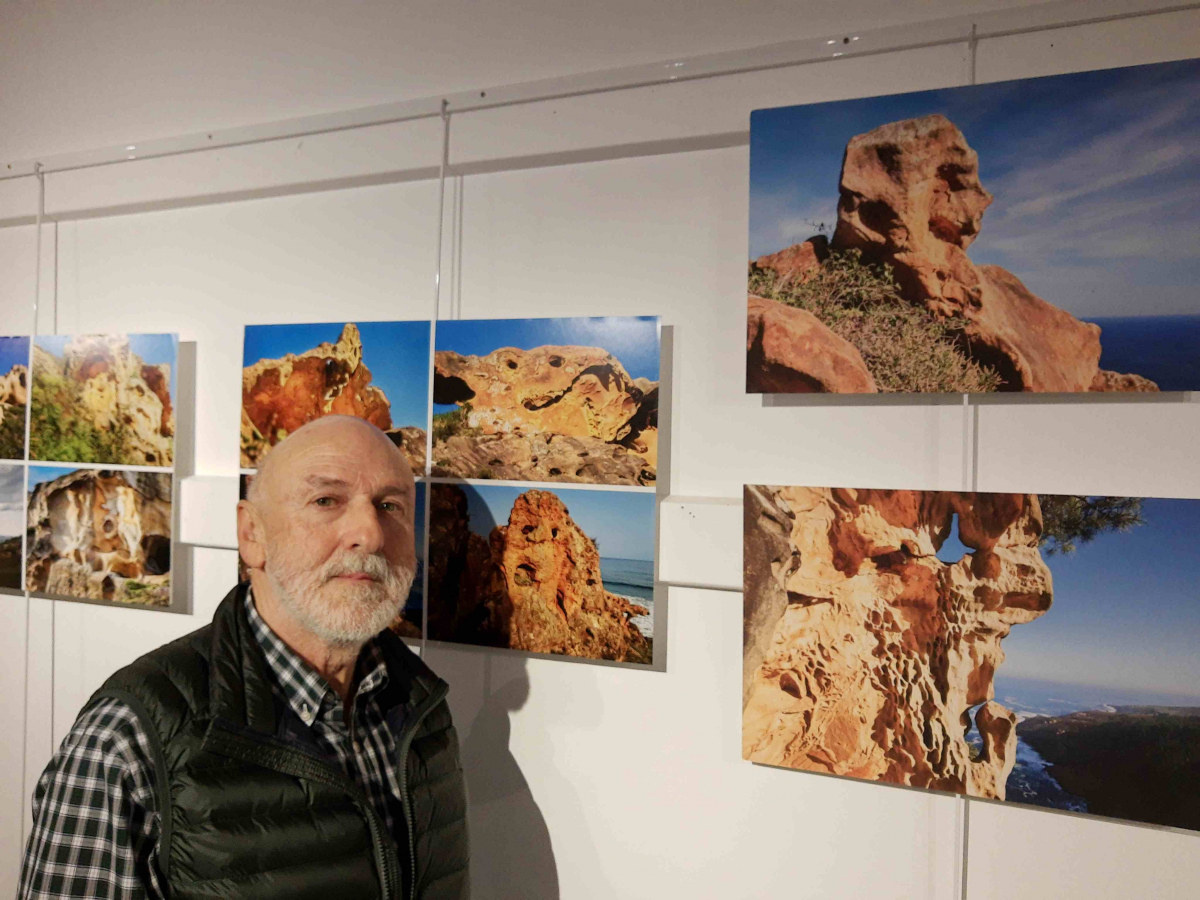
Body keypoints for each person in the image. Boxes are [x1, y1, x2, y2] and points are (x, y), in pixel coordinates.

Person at [18, 415, 470, 899]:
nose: (370, 533)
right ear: (251, 535)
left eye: (389, 505)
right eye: (325, 501)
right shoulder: (130, 736)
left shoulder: (422, 710)